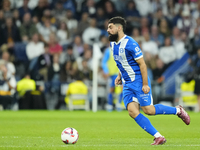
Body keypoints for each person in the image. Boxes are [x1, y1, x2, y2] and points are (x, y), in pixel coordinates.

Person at [107, 16, 190, 145]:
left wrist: (145, 84)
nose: (108, 30)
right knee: (132, 111)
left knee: (149, 110)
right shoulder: (113, 44)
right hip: (127, 83)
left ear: (119, 28)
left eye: (110, 27)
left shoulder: (131, 43)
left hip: (139, 81)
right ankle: (158, 136)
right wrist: (119, 76)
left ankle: (178, 110)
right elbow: (122, 62)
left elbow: (143, 65)